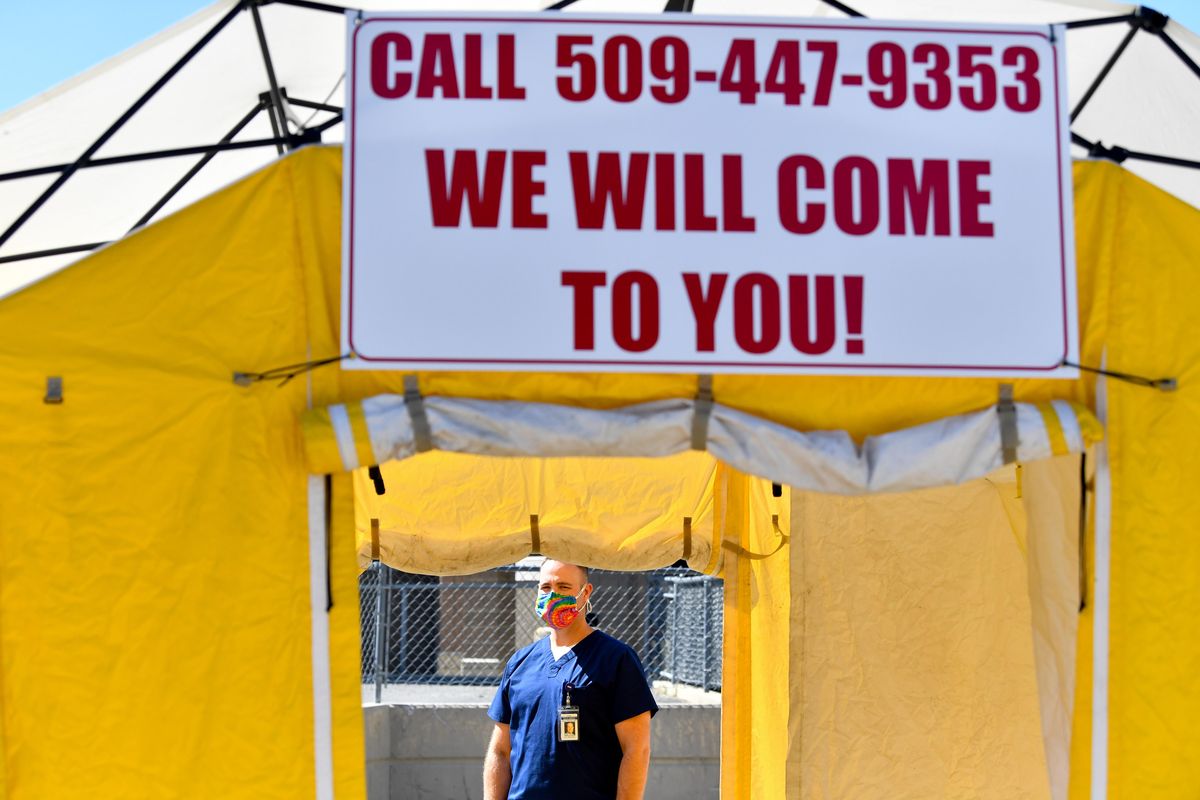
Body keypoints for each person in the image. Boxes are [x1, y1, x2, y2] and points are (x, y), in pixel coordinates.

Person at [483, 559, 658, 800]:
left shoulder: (617, 659)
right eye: (545, 587)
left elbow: (636, 751)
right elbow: (500, 751)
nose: (552, 595)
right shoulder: (520, 663)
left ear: (585, 592)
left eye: (563, 587)